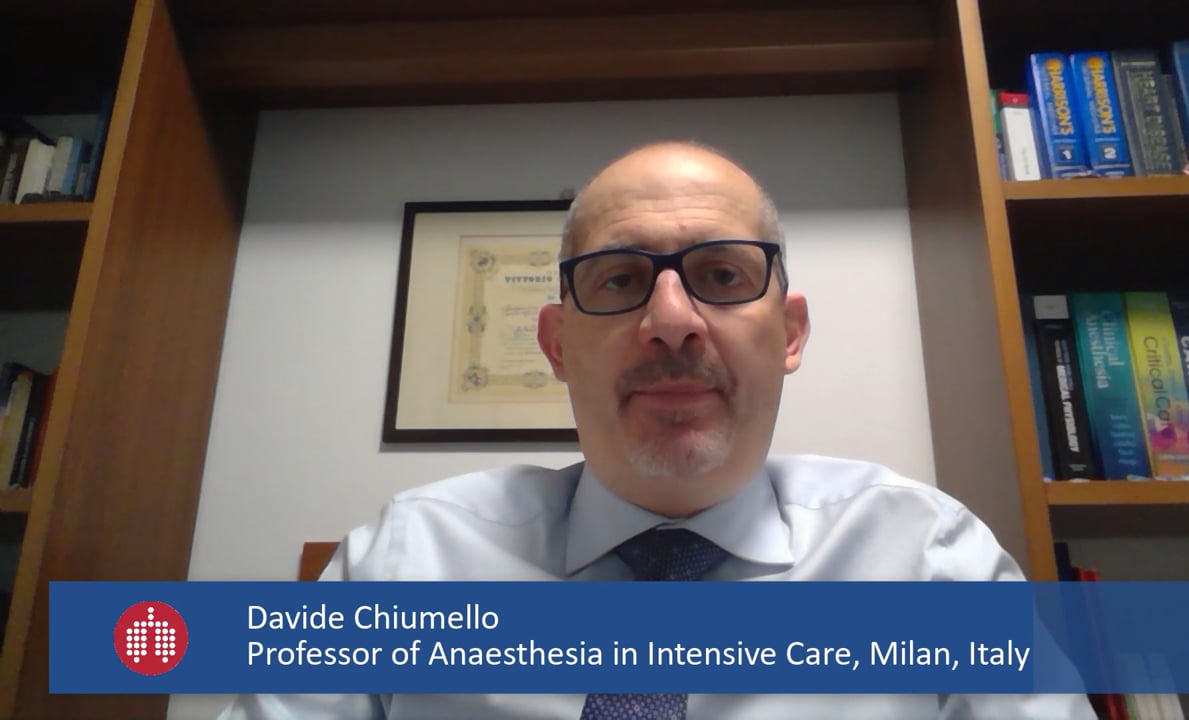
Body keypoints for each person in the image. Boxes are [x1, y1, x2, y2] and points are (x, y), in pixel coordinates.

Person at [220, 141, 1095, 719]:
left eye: (721, 274)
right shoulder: (403, 564)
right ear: (557, 345)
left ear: (790, 334)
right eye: (618, 280)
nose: (672, 321)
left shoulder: (931, 562)